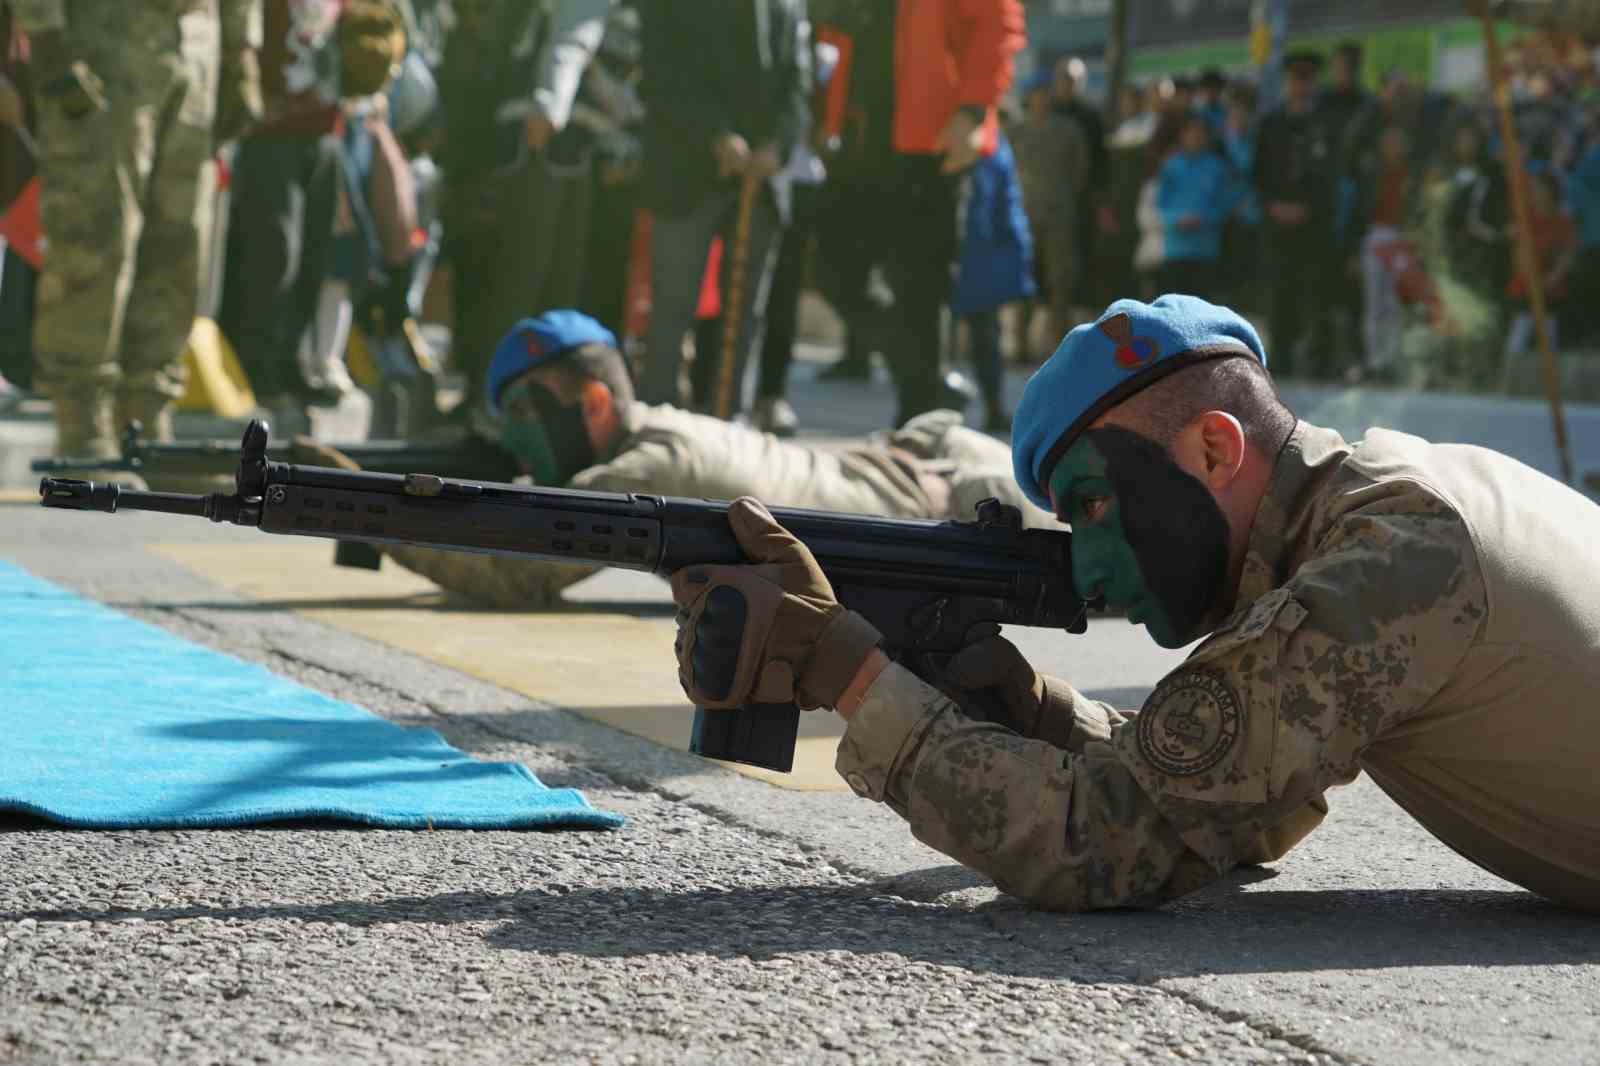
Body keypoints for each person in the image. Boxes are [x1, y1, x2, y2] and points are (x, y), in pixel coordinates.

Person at [668, 293, 1600, 913]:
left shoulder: (1390, 564)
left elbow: (1110, 842)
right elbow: (1232, 802)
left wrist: (849, 671)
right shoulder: (1373, 508)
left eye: (1094, 503)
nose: (1091, 563)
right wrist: (1030, 708)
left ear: (1212, 451)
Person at [308, 310, 1054, 608]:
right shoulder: (654, 433)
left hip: (970, 500)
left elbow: (520, 572)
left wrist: (363, 510)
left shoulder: (649, 473)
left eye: (529, 411)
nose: (517, 436)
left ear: (595, 404)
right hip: (931, 469)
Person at [19, 0, 256, 479]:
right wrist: (43, 31)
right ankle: (82, 430)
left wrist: (240, 49)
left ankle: (145, 426)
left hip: (195, 39)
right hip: (101, 39)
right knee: (95, 234)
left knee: (179, 242)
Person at [810, 0, 1024, 427]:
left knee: (921, 291)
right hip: (858, 144)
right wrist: (820, 116)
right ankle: (926, 378)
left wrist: (973, 111)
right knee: (833, 270)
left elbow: (997, 23)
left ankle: (919, 419)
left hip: (931, 145)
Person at [634, 0, 810, 420]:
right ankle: (653, 425)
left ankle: (728, 424)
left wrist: (779, 145)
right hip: (686, 173)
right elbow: (662, 71)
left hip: (759, 180)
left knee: (746, 315)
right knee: (671, 310)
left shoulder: (788, 6)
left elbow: (798, 84)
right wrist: (715, 134)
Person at [435, 0, 612, 409]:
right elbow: (569, 42)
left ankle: (529, 402)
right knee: (522, 281)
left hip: (556, 147)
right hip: (539, 143)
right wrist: (550, 103)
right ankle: (495, 400)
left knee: (546, 286)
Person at [1252, 50, 1338, 379]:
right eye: (1295, 79)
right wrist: (1273, 205)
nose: (1300, 86)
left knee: (1316, 291)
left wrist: (1308, 208)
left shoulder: (1325, 124)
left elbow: (1331, 177)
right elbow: (1258, 173)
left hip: (1313, 225)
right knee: (1280, 291)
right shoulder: (1271, 123)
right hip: (1277, 223)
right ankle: (1283, 359)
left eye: (1307, 79)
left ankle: (1319, 361)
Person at [1013, 68, 1087, 361]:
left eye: (1045, 95)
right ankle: (1021, 345)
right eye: (1036, 95)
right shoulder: (1016, 132)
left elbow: (1080, 173)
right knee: (1024, 282)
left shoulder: (1068, 130)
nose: (1041, 100)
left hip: (1060, 215)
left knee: (1061, 281)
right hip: (1024, 216)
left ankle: (1060, 348)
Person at [1155, 113, 1231, 302]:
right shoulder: (1171, 166)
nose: (1195, 136)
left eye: (1200, 132)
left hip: (1205, 250)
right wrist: (1176, 220)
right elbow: (1160, 203)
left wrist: (1203, 219)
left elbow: (1224, 203)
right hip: (1175, 249)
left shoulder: (1217, 168)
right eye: (1191, 132)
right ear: (1183, 135)